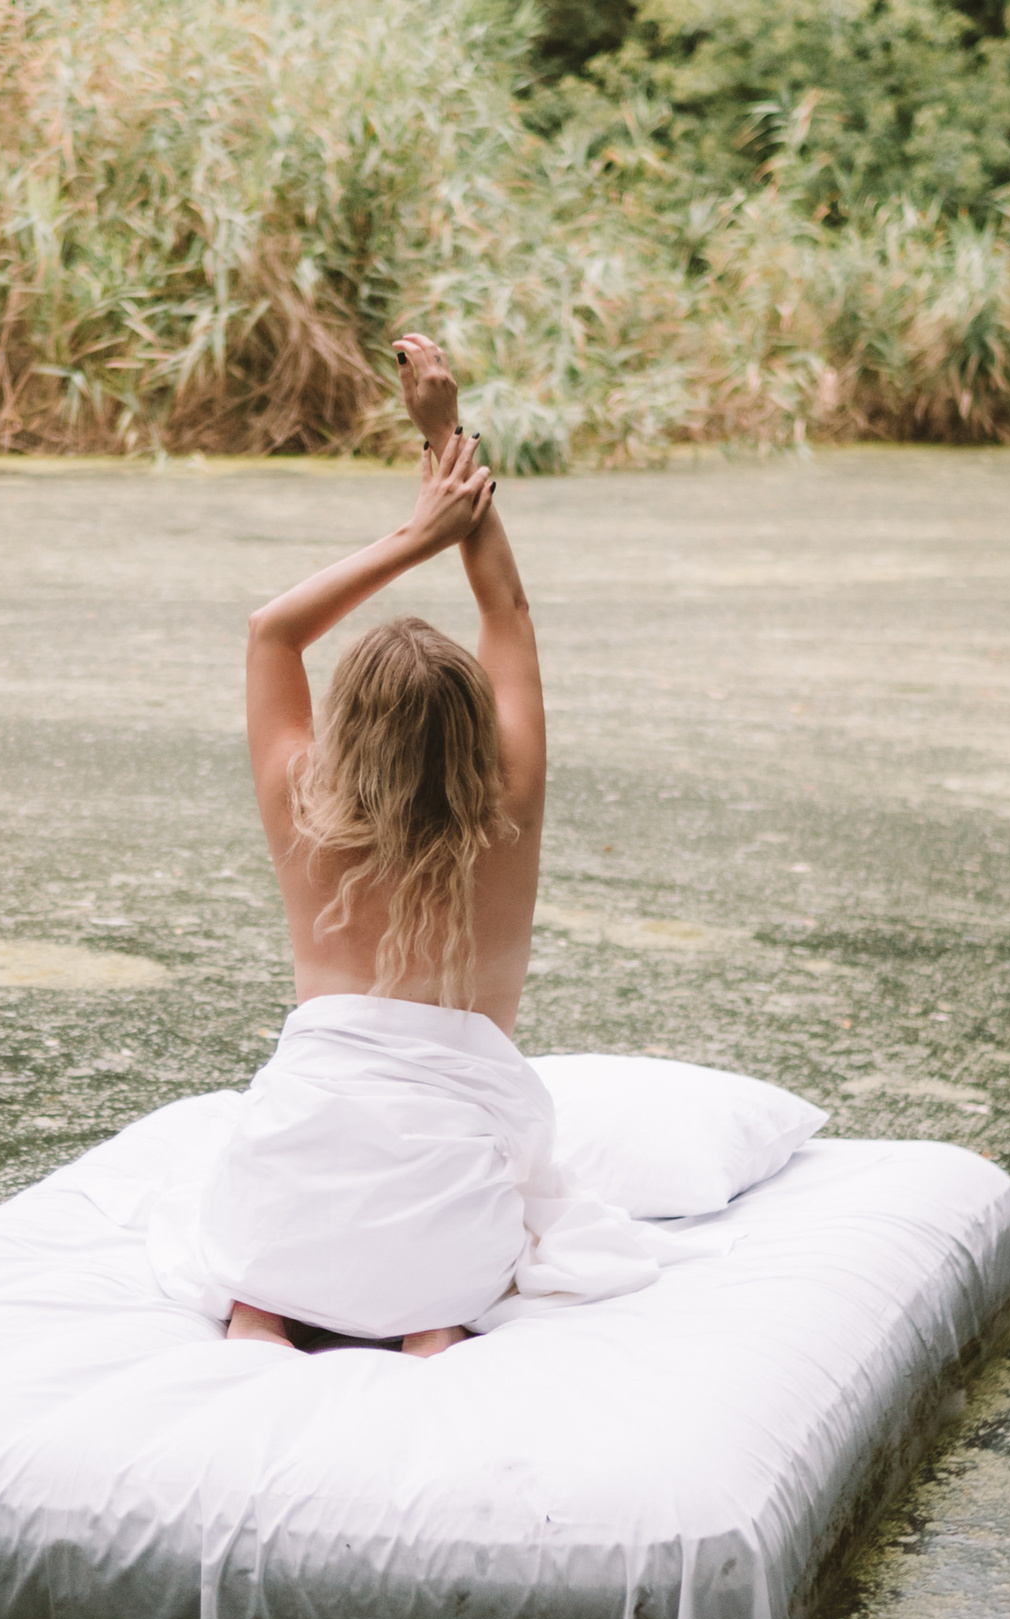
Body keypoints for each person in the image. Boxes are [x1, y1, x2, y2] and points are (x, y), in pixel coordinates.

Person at [186, 334, 664, 1356]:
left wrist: (415, 532)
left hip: (293, 1157)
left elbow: (272, 631)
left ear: (346, 730)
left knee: (273, 1241)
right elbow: (508, 607)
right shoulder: (508, 806)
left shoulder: (305, 806)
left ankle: (261, 1317)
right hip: (443, 1189)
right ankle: (426, 1331)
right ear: (472, 729)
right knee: (438, 1254)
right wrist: (445, 433)